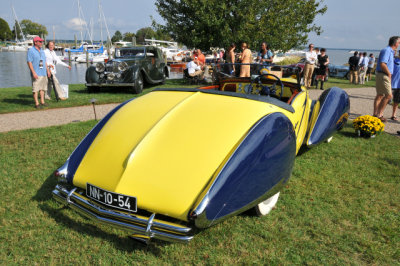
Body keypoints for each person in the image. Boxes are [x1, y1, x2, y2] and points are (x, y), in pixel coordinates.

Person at [373, 36, 400, 121]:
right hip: (384, 74)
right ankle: (379, 114)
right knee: (389, 95)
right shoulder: (387, 50)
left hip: (382, 74)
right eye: (399, 42)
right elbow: (383, 64)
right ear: (395, 43)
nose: (399, 44)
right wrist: (389, 74)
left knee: (380, 95)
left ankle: (376, 114)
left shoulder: (390, 51)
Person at [27, 36, 51, 109]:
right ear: (35, 42)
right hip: (36, 73)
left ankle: (42, 102)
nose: (41, 43)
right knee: (36, 89)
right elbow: (29, 62)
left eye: (42, 41)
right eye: (40, 41)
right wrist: (33, 72)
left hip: (43, 72)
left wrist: (48, 70)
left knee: (42, 88)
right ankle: (37, 103)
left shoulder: (42, 51)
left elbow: (44, 62)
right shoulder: (31, 51)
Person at [390, 51, 400, 121]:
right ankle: (380, 114)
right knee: (386, 99)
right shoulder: (394, 61)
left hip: (399, 85)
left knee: (396, 101)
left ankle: (394, 115)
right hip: (392, 84)